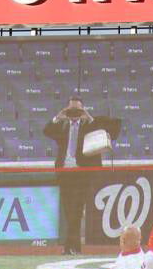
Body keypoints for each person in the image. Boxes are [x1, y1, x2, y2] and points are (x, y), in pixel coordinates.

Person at [43, 96, 121, 255]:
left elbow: (114, 130)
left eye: (77, 110)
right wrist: (58, 116)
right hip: (65, 173)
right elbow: (47, 131)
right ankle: (73, 247)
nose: (74, 114)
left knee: (77, 211)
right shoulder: (62, 126)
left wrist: (89, 117)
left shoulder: (91, 125)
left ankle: (69, 247)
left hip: (81, 174)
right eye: (71, 110)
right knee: (68, 210)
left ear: (83, 110)